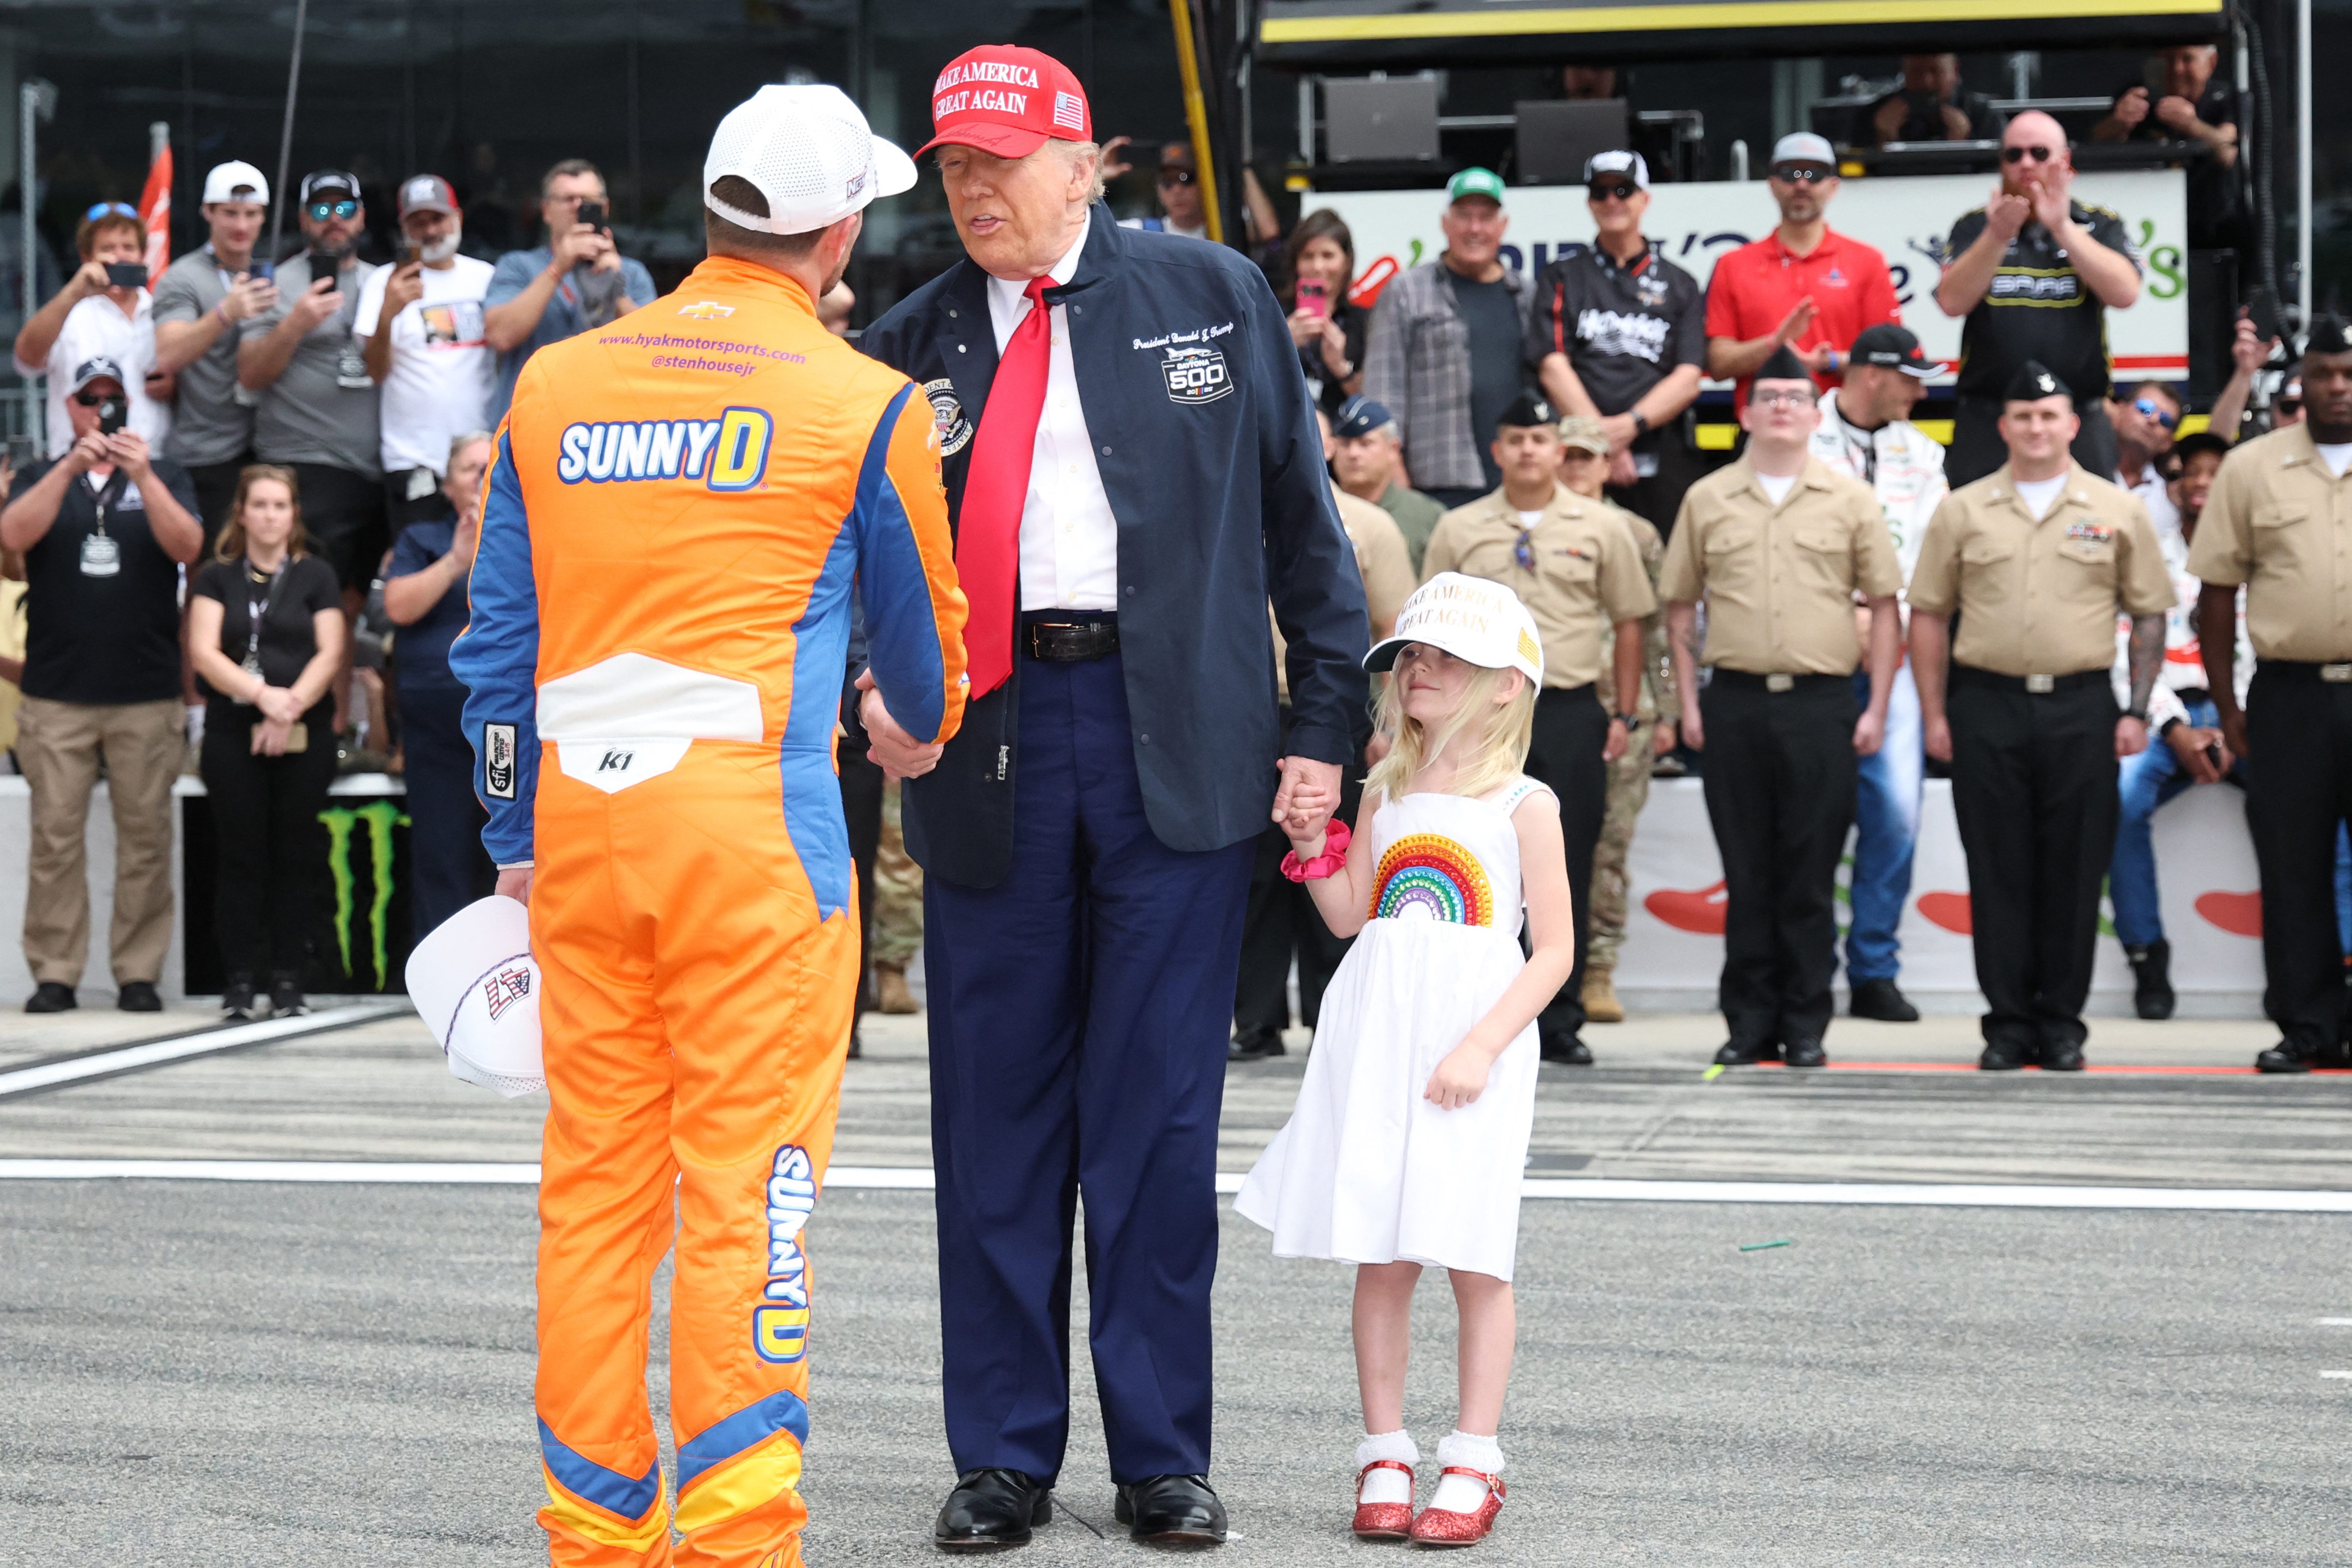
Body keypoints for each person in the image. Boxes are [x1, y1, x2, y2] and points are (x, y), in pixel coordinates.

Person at [859, 45, 1368, 1549]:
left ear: (1088, 165)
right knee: (994, 1120)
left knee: (1155, 1120)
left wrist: (1322, 728)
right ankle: (1003, 1454)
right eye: (953, 164)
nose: (974, 187)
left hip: (1183, 742)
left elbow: (1305, 532)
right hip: (987, 741)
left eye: (1002, 161)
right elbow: (839, 570)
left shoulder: (1211, 294)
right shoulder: (905, 339)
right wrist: (859, 698)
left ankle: (1160, 1453)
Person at [451, 86, 965, 1563]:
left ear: (716, 208)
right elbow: (923, 669)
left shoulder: (554, 383)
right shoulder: (863, 399)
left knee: (598, 1191)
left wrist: (511, 831)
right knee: (757, 1190)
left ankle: (595, 1536)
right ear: (842, 229)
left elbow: (499, 648)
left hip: (578, 828)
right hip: (758, 835)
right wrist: (913, 729)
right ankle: (738, 1541)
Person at [1235, 574, 1573, 1550]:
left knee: (1472, 1252)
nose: (1420, 670)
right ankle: (1382, 1447)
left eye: (1446, 659)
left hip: (1475, 1041)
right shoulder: (1382, 788)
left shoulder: (1524, 803)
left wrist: (1479, 1044)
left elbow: (1549, 949)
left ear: (1505, 685)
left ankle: (1472, 1456)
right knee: (1381, 1254)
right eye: (1413, 657)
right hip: (1376, 1034)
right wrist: (1309, 846)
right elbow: (1352, 916)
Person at [1909, 360, 2175, 1070]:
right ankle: (2007, 1024)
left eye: (2049, 414)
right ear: (2003, 426)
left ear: (2071, 423)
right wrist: (1935, 713)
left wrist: (2138, 709)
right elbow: (1929, 615)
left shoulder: (2115, 508)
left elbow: (2149, 612)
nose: (2035, 427)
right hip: (1985, 703)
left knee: (2074, 867)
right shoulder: (1962, 509)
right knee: (1997, 868)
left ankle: (2061, 1023)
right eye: (2022, 415)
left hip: (2082, 705)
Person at [1662, 348, 1901, 1068]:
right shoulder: (1708, 498)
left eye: (1796, 397)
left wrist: (1878, 707)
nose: (1781, 407)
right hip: (1731, 702)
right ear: (1745, 411)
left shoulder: (1850, 498)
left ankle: (1805, 1024)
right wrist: (1687, 703)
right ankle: (1747, 1021)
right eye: (1767, 396)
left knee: (1808, 870)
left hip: (1822, 704)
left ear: (1814, 411)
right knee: (1748, 868)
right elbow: (1680, 608)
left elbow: (1886, 609)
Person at [1422, 392, 1654, 1064]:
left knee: (1569, 859)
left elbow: (1630, 620)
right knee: (1474, 856)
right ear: (1496, 450)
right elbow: (1430, 626)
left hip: (1570, 708)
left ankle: (1559, 1019)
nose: (1528, 449)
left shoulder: (1605, 527)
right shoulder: (1459, 526)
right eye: (1515, 437)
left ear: (1560, 450)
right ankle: (1475, 1012)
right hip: (1479, 715)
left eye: (1540, 438)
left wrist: (1625, 711)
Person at [0, 356, 201, 1013]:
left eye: (113, 399)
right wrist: (67, 467)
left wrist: (142, 474)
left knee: (145, 839)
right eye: (90, 398)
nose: (101, 410)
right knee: (55, 839)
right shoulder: (40, 474)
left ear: (130, 407)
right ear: (69, 405)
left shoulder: (163, 472)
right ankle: (55, 971)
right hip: (58, 691)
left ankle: (137, 972)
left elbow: (190, 546)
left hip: (146, 690)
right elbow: (11, 534)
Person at [2185, 315, 2352, 1072]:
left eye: (2350, 373)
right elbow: (2217, 592)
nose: (2339, 387)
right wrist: (2227, 704)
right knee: (2293, 865)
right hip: (2290, 694)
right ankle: (2307, 1024)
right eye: (2325, 373)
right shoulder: (2252, 467)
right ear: (2302, 382)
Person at [1235, 407, 1414, 1061]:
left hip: (1337, 711)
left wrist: (1389, 726)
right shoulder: (1231, 512)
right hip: (1245, 715)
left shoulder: (1369, 525)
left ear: (1331, 444)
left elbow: (1397, 634)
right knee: (1253, 871)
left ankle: (1330, 1016)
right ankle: (1254, 1021)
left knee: (1334, 860)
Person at [1809, 323, 1947, 1022]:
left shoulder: (1924, 451)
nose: (1922, 390)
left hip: (1893, 651)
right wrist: (1847, 615)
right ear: (1871, 374)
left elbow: (1933, 558)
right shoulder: (1799, 433)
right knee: (1812, 815)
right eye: (1911, 377)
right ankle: (1804, 971)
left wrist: (1883, 621)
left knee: (1895, 814)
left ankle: (1873, 970)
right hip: (1815, 650)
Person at [186, 466, 347, 1018]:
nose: (271, 515)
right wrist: (262, 698)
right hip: (235, 730)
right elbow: (204, 651)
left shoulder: (317, 575)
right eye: (260, 504)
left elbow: (330, 651)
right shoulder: (216, 576)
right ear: (242, 512)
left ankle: (286, 981)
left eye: (281, 505)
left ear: (294, 514)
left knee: (295, 855)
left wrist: (291, 703)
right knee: (240, 856)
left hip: (303, 728)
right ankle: (237, 982)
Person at [237, 169, 384, 722]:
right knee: (304, 603)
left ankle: (340, 729)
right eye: (319, 211)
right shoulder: (273, 282)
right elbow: (250, 373)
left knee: (349, 606)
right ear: (302, 220)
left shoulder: (383, 281)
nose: (333, 221)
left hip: (372, 470)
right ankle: (297, 722)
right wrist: (296, 322)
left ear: (362, 216)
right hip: (304, 464)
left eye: (344, 209)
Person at [2108, 431, 2244, 1018]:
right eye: (2190, 471)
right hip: (2164, 714)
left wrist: (2236, 722)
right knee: (2119, 798)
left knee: (2308, 807)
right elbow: (2126, 647)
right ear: (2174, 484)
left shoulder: (2258, 556)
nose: (2201, 482)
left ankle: (2316, 965)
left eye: (2216, 472)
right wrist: (2171, 727)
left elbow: (2268, 651)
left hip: (2245, 715)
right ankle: (2146, 956)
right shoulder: (2147, 551)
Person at [1934, 113, 2142, 487]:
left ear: (2065, 162)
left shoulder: (2098, 222)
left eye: (2039, 152)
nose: (2026, 163)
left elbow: (2126, 292)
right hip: (1988, 418)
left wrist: (2063, 226)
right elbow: (1951, 302)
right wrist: (1998, 236)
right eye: (2014, 154)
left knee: (2088, 535)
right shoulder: (1975, 225)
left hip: (2077, 417)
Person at [1555, 413, 1675, 1026]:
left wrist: (1667, 707)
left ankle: (1598, 966)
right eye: (1567, 456)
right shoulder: (1531, 528)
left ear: (1609, 466)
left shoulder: (1635, 534)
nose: (1576, 468)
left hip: (1623, 711)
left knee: (1608, 844)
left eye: (1588, 458)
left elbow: (1657, 628)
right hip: (1548, 708)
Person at [1526, 151, 1706, 536]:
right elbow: (1552, 365)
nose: (1612, 201)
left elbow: (1690, 375)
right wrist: (1602, 443)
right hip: (1578, 453)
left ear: (1645, 198)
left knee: (1661, 564)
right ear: (1589, 202)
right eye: (1600, 192)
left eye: (1623, 190)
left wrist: (1628, 427)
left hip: (1660, 450)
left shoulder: (1680, 283)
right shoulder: (1563, 275)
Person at [380, 430, 496, 942]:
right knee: (440, 849)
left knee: (512, 848)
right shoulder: (420, 540)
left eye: (491, 466)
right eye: (470, 468)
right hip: (435, 720)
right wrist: (455, 559)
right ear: (448, 485)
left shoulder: (534, 537)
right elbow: (398, 607)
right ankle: (445, 982)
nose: (481, 476)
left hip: (508, 717)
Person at [1363, 168, 1533, 509]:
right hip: (1435, 484)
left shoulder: (1527, 293)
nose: (1475, 228)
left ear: (1503, 225)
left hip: (1515, 480)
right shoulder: (1406, 290)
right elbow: (1383, 389)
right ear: (1444, 223)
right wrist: (1396, 478)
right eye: (1463, 216)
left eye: (1486, 217)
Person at [1704, 133, 1902, 404]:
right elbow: (1718, 364)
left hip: (1844, 430)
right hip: (1764, 430)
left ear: (1833, 186)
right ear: (1772, 185)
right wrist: (1774, 345)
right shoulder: (1733, 265)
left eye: (1815, 174)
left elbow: (1890, 357)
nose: (1801, 184)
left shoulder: (1867, 261)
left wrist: (1828, 361)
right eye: (1789, 173)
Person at [356, 174, 497, 535]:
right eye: (418, 223)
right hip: (415, 459)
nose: (431, 230)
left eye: (438, 219)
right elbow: (375, 371)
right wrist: (388, 312)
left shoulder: (488, 278)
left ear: (458, 219)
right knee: (422, 569)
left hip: (483, 458)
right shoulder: (383, 282)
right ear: (404, 228)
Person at [152, 161, 279, 542]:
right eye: (229, 213)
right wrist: (226, 312)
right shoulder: (182, 277)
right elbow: (168, 354)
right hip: (207, 456)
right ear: (208, 212)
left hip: (272, 447)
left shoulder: (280, 273)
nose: (241, 225)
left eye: (251, 214)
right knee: (208, 571)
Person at [481, 159, 657, 423]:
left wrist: (616, 290)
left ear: (605, 208)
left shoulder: (630, 273)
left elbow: (654, 353)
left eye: (587, 200)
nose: (577, 207)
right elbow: (500, 336)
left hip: (604, 426)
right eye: (568, 199)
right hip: (529, 423)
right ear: (547, 210)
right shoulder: (517, 266)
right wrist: (558, 268)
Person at [13, 203, 173, 459]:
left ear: (143, 255)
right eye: (108, 249)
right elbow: (25, 361)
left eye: (129, 247)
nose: (119, 257)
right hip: (80, 464)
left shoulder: (164, 312)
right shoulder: (69, 313)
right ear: (87, 258)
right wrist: (75, 292)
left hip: (153, 464)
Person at [2092, 43, 2242, 250]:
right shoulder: (2138, 97)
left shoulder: (2226, 99)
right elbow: (2094, 146)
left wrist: (2191, 125)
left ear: (2211, 63)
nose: (2177, 69)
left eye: (2187, 60)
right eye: (2169, 60)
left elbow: (2229, 153)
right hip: (2145, 226)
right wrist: (2118, 123)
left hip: (2211, 230)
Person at [1332, 394, 1445, 573]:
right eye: (1345, 444)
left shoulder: (1427, 516)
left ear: (1393, 449)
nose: (1353, 454)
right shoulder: (1323, 511)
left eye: (1365, 443)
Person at [1281, 209, 1367, 418]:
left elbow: (1374, 404)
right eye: (1308, 257)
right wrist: (1282, 342)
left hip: (1348, 441)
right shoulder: (1274, 315)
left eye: (1328, 256)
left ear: (1347, 262)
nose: (1318, 267)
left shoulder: (1365, 321)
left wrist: (1342, 368)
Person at [1865, 54, 2006, 146]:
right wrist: (1884, 137)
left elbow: (1999, 171)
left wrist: (1962, 143)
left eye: (1936, 71)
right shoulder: (1875, 114)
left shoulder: (1983, 115)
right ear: (1904, 72)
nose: (1926, 82)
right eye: (1917, 72)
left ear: (1955, 72)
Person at [2111, 378, 2182, 531]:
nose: (2154, 420)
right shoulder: (2081, 467)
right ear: (2120, 410)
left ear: (2168, 442)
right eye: (2145, 408)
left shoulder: (2171, 501)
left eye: (2166, 421)